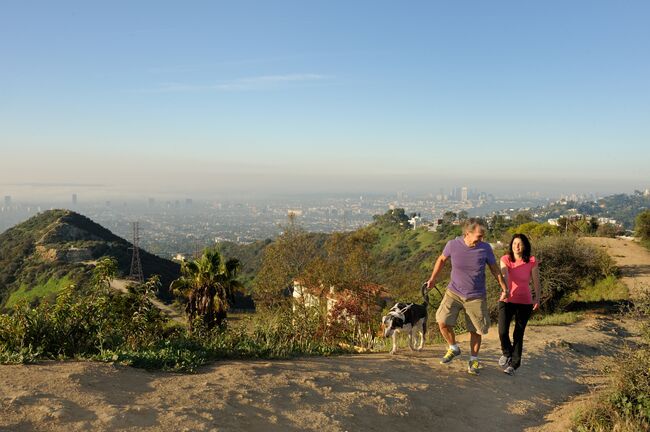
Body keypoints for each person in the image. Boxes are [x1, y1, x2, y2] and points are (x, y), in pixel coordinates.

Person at [426, 218, 507, 375]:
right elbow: (441, 259)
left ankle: (474, 359)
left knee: (476, 330)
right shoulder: (452, 245)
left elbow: (494, 269)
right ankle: (453, 348)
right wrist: (433, 279)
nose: (481, 239)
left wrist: (504, 287)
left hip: (476, 296)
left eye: (483, 236)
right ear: (467, 233)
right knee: (442, 321)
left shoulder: (485, 249)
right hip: (453, 292)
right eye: (478, 236)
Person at [498, 233, 540, 376]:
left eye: (520, 244)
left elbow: (536, 281)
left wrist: (537, 298)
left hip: (525, 301)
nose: (517, 246)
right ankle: (507, 352)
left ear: (525, 246)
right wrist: (506, 290)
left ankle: (514, 365)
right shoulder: (505, 259)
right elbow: (504, 274)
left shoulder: (532, 261)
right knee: (502, 331)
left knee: (518, 333)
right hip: (507, 299)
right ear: (511, 245)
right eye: (514, 243)